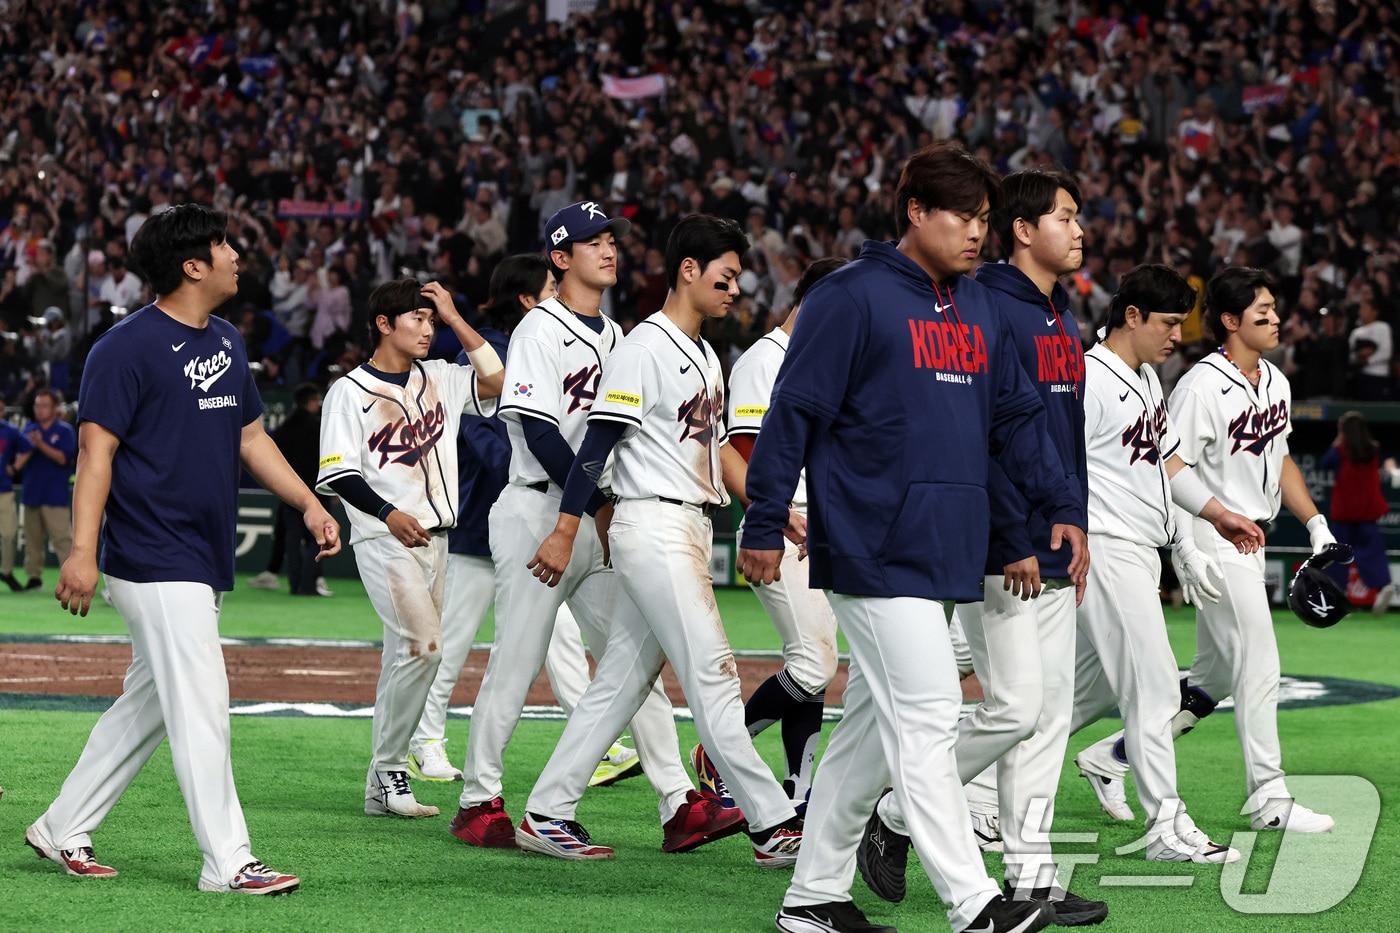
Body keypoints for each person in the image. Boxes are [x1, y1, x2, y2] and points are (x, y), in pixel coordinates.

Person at [744, 143, 1088, 933]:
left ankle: (811, 899)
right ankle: (975, 906)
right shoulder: (851, 297)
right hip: (871, 544)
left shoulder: (974, 305)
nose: (976, 233)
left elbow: (1017, 417)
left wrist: (1059, 498)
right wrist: (763, 519)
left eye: (984, 220)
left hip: (946, 549)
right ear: (914, 212)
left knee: (869, 733)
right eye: (961, 217)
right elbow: (792, 413)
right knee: (932, 713)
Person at [29, 203, 341, 894]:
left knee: (150, 700)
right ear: (192, 264)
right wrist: (81, 550)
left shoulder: (227, 339)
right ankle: (227, 859)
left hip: (200, 553)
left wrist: (309, 502)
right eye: (223, 244)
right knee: (200, 694)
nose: (236, 253)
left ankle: (61, 822)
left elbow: (253, 438)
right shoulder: (123, 348)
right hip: (150, 552)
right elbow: (96, 452)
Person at [854, 169, 1105, 922]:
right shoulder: (987, 304)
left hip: (1053, 538)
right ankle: (898, 811)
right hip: (1004, 544)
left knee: (1046, 715)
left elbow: (1054, 440)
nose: (1079, 229)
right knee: (1016, 707)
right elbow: (980, 437)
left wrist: (1072, 516)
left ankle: (1030, 876)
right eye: (1065, 217)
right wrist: (1011, 531)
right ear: (1024, 230)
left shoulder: (1057, 317)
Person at [452, 203, 729, 856]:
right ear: (560, 257)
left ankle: (677, 801)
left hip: (596, 518)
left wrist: (602, 507)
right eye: (591, 241)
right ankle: (477, 799)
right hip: (537, 511)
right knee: (518, 657)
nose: (607, 249)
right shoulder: (538, 330)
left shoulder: (617, 335)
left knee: (634, 658)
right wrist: (594, 504)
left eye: (611, 239)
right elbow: (542, 432)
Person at [522, 213, 796, 865]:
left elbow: (716, 448)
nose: (736, 289)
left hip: (688, 524)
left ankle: (545, 810)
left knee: (620, 679)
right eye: (726, 277)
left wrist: (770, 505)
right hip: (654, 524)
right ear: (689, 270)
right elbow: (597, 442)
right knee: (715, 674)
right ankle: (775, 822)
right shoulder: (645, 345)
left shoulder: (704, 352)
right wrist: (567, 526)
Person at [1075, 267, 1340, 834]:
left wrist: (1315, 521)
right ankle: (1269, 797)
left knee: (1213, 679)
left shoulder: (1274, 381)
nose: (1275, 320)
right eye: (1262, 311)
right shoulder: (1199, 385)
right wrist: (1185, 545)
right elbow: (1171, 469)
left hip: (1240, 532)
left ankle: (1110, 756)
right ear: (1230, 320)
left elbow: (1280, 457)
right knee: (1259, 663)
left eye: (1274, 310)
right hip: (1203, 536)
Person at [406, 254, 639, 787]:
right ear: (527, 298)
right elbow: (487, 431)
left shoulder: (572, 336)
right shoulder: (510, 342)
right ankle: (427, 740)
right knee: (458, 638)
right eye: (552, 284)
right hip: (492, 514)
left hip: (551, 510)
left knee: (558, 639)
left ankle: (596, 742)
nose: (562, 290)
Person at [1065, 264, 1267, 864]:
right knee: (1153, 691)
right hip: (1105, 546)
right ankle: (1166, 829)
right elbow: (1057, 463)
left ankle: (975, 793)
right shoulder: (1088, 378)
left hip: (1138, 548)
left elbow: (1169, 466)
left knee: (1075, 697)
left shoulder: (1147, 377)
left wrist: (1217, 515)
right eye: (1169, 322)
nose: (1177, 335)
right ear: (1131, 316)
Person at [315, 276, 505, 819]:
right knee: (425, 647)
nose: (427, 329)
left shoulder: (441, 376)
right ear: (383, 324)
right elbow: (340, 473)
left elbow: (497, 379)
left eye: (431, 320)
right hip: (385, 537)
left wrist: (455, 314)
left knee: (403, 657)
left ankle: (381, 781)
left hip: (437, 538)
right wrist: (387, 514)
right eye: (417, 319)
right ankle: (391, 769)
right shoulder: (348, 391)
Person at [719, 256, 847, 818]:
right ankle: (724, 751)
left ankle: (799, 788)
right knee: (814, 664)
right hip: (780, 524)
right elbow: (745, 452)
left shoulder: (816, 358)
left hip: (816, 527)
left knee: (814, 662)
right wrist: (770, 519)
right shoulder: (762, 360)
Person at [1321, 411, 1395, 612]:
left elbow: (1325, 463)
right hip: (1367, 513)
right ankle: (1383, 587)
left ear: (1344, 431)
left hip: (1345, 513)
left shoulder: (1340, 451)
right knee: (1373, 553)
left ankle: (1337, 597)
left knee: (1339, 556)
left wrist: (1337, 440)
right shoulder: (1373, 449)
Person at [271, 383, 330, 596]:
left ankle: (294, 585)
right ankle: (308, 585)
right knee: (318, 538)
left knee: (292, 540)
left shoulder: (284, 427)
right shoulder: (318, 427)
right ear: (310, 402)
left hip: (289, 491)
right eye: (316, 400)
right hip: (315, 491)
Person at [16, 388, 76, 589]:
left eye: (44, 406)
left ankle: (71, 578)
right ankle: (34, 577)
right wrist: (29, 448)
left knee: (62, 540)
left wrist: (40, 444)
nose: (39, 410)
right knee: (33, 541)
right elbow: (19, 461)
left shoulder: (64, 430)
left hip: (54, 495)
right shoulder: (29, 429)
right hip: (32, 492)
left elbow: (63, 459)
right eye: (37, 405)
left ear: (54, 408)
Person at [0, 396, 32, 591]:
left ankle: (7, 572)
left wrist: (16, 466)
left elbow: (28, 447)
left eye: (1, 409)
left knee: (9, 534)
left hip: (4, 490)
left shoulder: (10, 431)